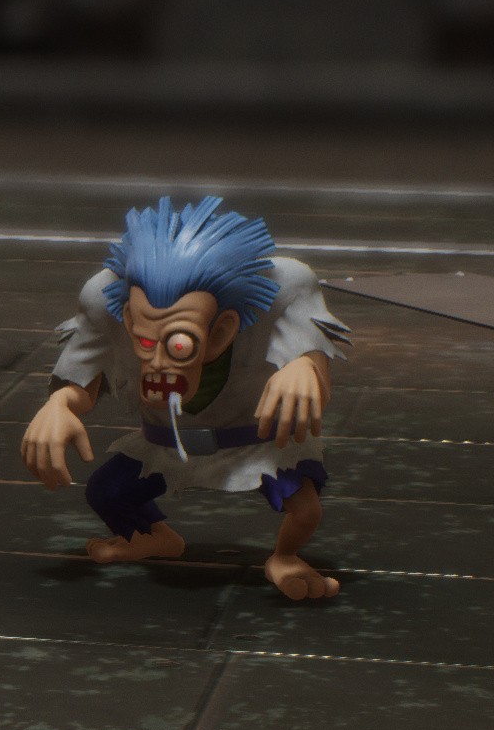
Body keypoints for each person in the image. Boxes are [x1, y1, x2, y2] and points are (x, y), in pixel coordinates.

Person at [19, 196, 348, 593]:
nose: (157, 362)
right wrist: (60, 403)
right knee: (107, 492)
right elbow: (82, 383)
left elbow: (314, 358)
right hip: (162, 445)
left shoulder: (279, 299)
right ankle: (151, 537)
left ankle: (285, 557)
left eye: (178, 344)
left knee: (305, 509)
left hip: (254, 445)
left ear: (222, 331)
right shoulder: (107, 304)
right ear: (129, 319)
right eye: (145, 341)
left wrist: (305, 366)